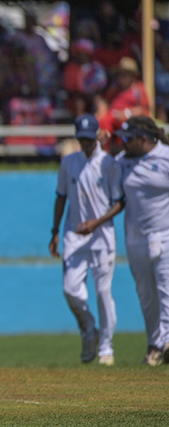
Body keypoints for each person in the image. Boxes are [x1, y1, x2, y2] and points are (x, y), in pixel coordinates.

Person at [49, 114, 123, 366]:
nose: (86, 143)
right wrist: (54, 231)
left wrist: (96, 223)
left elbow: (118, 202)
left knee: (103, 292)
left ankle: (106, 347)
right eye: (81, 139)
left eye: (89, 139)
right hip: (74, 234)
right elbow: (61, 197)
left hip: (102, 236)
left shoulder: (109, 164)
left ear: (96, 137)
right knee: (70, 289)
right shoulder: (69, 162)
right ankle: (90, 328)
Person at [114, 116, 169, 366]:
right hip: (135, 239)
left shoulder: (165, 157)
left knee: (166, 290)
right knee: (146, 295)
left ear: (143, 139)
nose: (124, 143)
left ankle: (166, 343)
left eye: (129, 139)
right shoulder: (122, 162)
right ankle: (154, 345)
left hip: (164, 235)